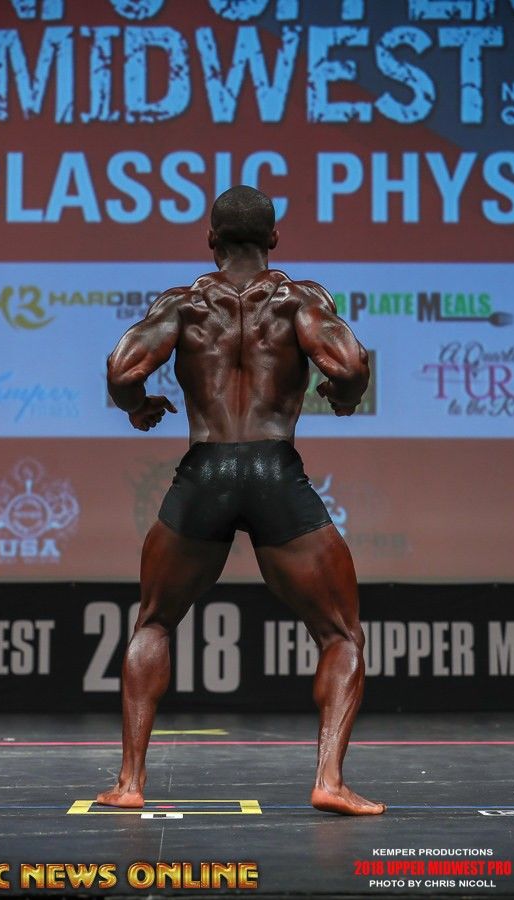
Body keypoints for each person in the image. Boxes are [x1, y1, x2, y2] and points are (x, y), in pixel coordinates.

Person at [97, 186, 385, 816]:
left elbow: (121, 370)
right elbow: (351, 363)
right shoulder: (299, 300)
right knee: (340, 634)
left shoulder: (183, 305)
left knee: (154, 622)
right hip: (273, 471)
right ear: (273, 239)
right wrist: (342, 398)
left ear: (211, 239)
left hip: (205, 471)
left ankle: (130, 782)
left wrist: (138, 408)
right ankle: (329, 780)